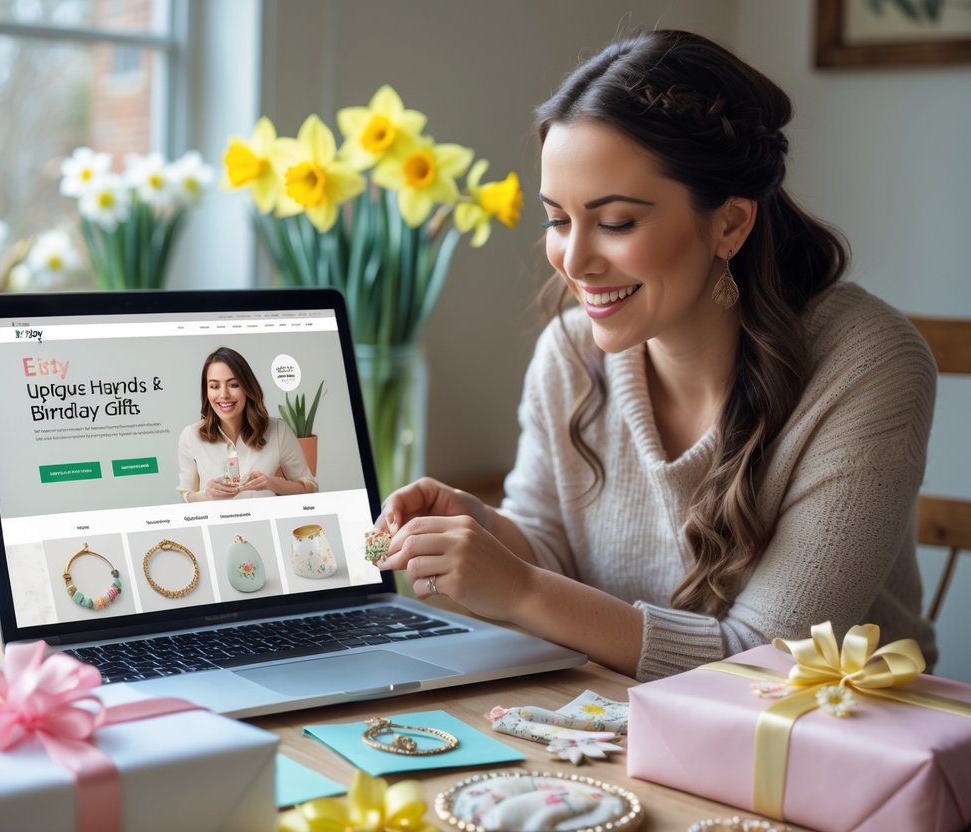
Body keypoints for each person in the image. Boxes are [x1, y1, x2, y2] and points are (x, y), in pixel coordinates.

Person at [375, 30, 937, 681]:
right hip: (619, 726)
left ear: (729, 223)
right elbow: (551, 550)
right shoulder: (569, 351)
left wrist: (523, 590)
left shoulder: (866, 365)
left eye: (614, 222)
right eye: (557, 220)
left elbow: (763, 663)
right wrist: (485, 532)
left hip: (824, 751)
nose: (574, 262)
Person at [177, 346, 317, 501]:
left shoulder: (278, 431)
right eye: (214, 386)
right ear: (207, 391)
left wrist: (272, 484)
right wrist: (207, 494)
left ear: (247, 387)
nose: (223, 395)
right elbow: (187, 496)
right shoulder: (190, 436)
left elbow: (311, 487)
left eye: (233, 385)